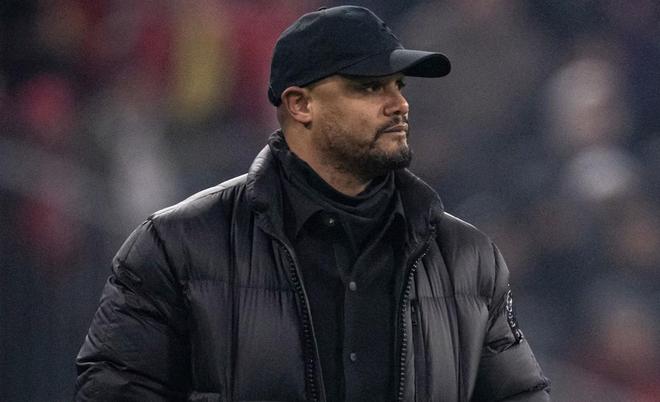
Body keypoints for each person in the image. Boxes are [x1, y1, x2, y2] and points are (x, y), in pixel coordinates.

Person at [76, 5, 550, 402]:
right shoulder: (175, 247)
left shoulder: (467, 259)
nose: (399, 104)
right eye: (369, 87)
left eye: (398, 86)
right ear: (300, 105)